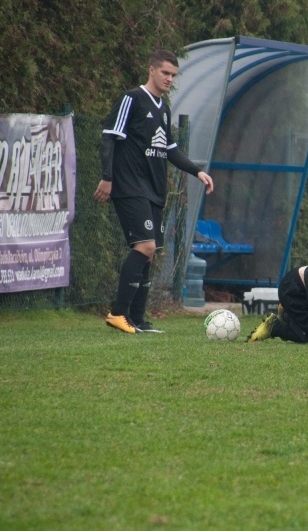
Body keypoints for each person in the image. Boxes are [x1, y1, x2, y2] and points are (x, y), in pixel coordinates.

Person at [94, 49, 215, 334]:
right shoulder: (132, 99)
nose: (169, 79)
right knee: (144, 246)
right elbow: (109, 137)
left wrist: (197, 171)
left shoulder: (162, 107)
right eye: (165, 73)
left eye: (173, 75)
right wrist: (107, 178)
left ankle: (137, 319)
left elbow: (170, 148)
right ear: (151, 70)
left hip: (153, 189)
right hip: (130, 186)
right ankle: (117, 313)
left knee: (150, 252)